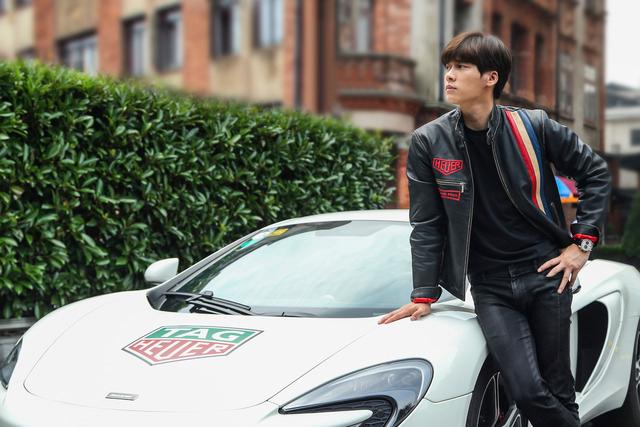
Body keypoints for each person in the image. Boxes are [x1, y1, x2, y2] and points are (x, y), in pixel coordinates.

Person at [377, 31, 611, 427]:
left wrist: (581, 245)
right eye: (448, 67)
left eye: (461, 67)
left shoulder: (534, 127)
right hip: (490, 286)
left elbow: (596, 173)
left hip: (547, 275)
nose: (449, 75)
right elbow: (427, 223)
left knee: (558, 390)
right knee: (527, 390)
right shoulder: (429, 142)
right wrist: (424, 293)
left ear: (491, 77)